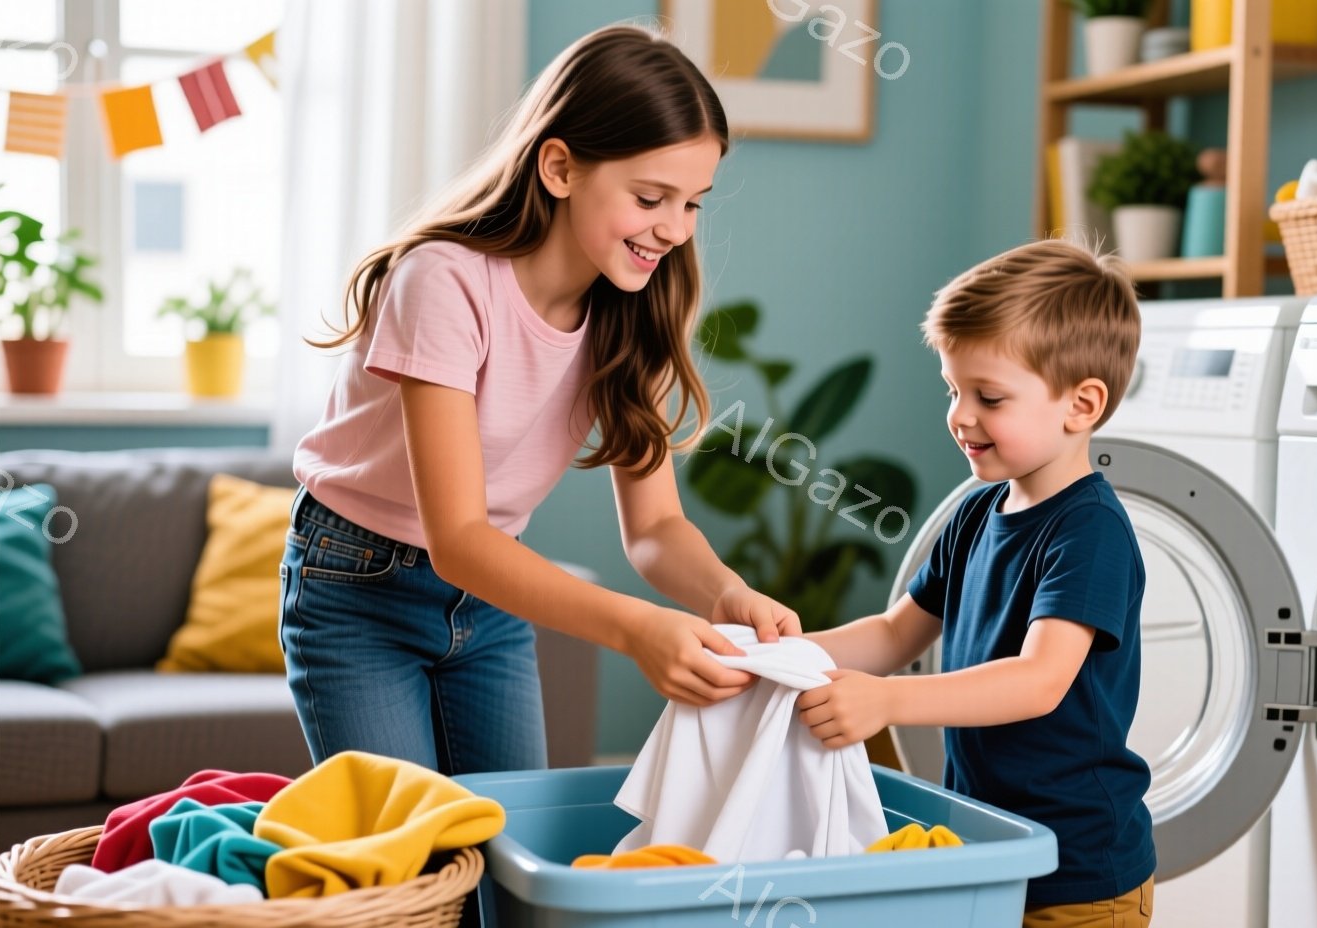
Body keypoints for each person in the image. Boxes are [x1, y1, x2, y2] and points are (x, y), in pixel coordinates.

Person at [280, 25, 799, 778]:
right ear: (558, 166)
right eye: (651, 197)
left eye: (692, 204)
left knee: (507, 856)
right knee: (406, 859)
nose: (674, 231)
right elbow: (456, 536)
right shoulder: (444, 282)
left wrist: (726, 592)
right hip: (359, 585)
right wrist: (636, 629)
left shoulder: (634, 311)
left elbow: (654, 526)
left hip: (489, 595)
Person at [802, 239, 1155, 927]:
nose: (960, 416)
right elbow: (894, 632)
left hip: (1079, 876)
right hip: (989, 848)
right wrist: (788, 656)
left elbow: (1038, 680)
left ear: (1080, 405)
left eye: (988, 396)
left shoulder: (1090, 532)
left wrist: (887, 702)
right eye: (953, 390)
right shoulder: (975, 511)